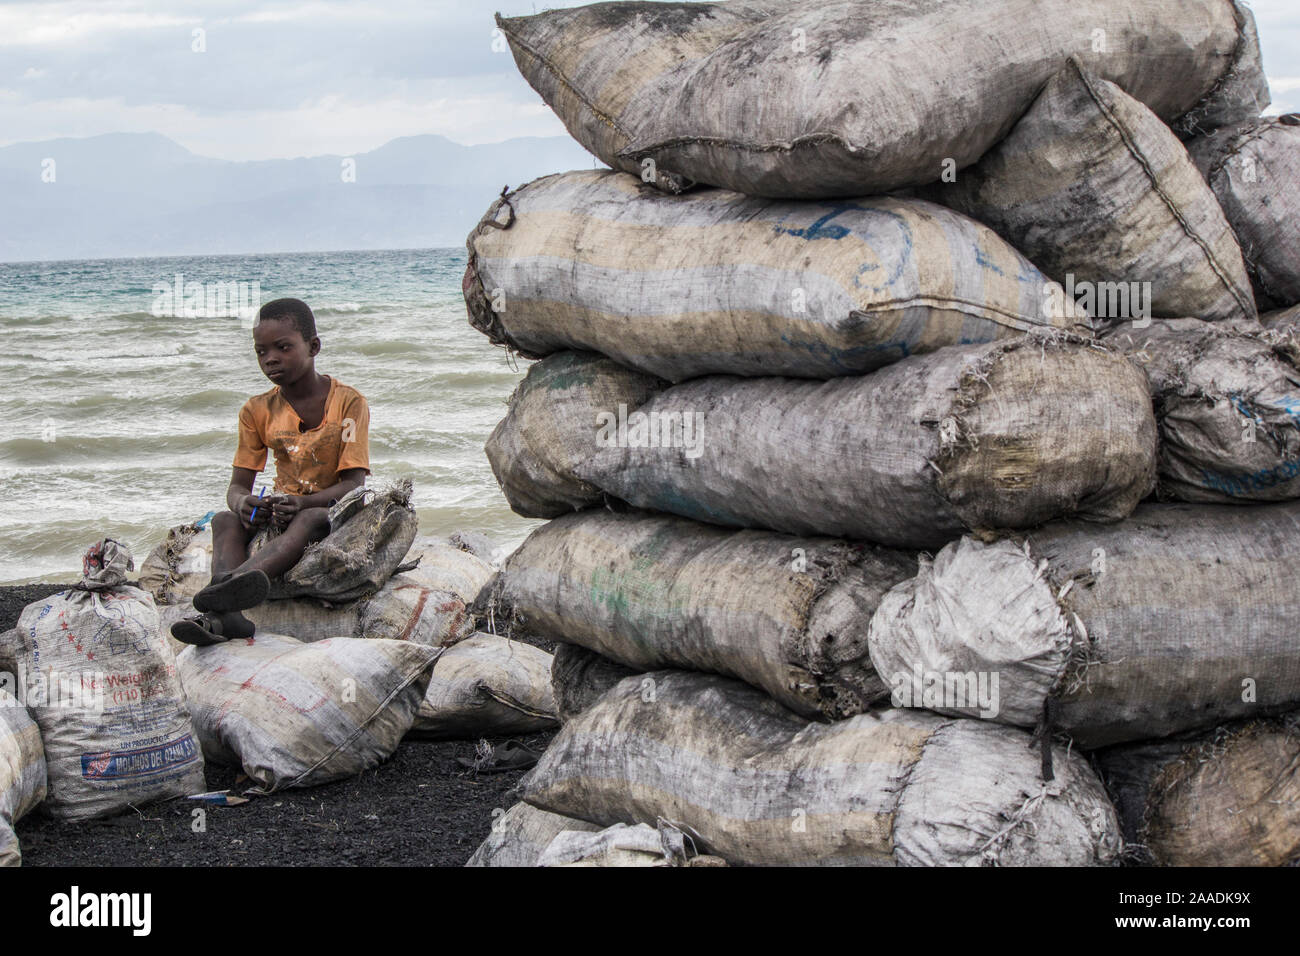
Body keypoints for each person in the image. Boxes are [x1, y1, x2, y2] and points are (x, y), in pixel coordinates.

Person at [171, 298, 370, 645]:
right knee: (223, 520)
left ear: (313, 347)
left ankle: (222, 589)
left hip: (330, 513)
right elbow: (236, 487)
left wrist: (303, 504)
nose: (270, 359)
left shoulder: (349, 403)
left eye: (282, 347)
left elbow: (353, 485)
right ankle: (229, 612)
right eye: (261, 352)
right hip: (282, 512)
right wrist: (244, 504)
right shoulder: (256, 410)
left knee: (309, 520)